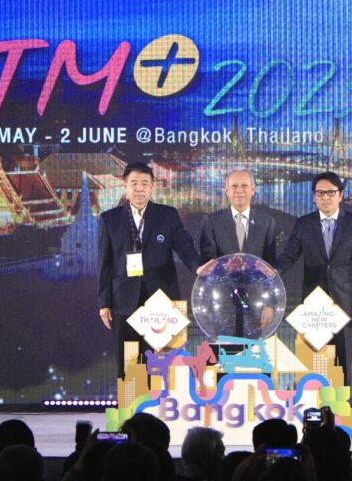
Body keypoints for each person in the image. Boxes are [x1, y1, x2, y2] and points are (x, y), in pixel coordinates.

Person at [98, 161, 200, 378]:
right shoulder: (109, 219)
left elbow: (185, 247)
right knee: (129, 368)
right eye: (134, 183)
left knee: (162, 368)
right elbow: (105, 264)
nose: (139, 188)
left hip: (161, 302)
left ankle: (160, 401)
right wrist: (104, 302)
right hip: (124, 301)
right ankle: (130, 401)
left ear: (152, 186)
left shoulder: (167, 215)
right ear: (125, 186)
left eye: (144, 183)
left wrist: (199, 267)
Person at [274, 171, 352, 387]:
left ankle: (342, 405)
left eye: (330, 192)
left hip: (344, 301)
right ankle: (314, 404)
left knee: (342, 360)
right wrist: (270, 272)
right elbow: (289, 256)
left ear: (340, 195)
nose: (325, 197)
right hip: (314, 303)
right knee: (314, 359)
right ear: (314, 197)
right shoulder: (304, 224)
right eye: (320, 193)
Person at [199, 169, 277, 265]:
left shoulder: (267, 222)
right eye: (234, 186)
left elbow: (269, 266)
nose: (239, 190)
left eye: (244, 186)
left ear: (253, 190)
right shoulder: (212, 222)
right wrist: (226, 268)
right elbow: (207, 264)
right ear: (227, 190)